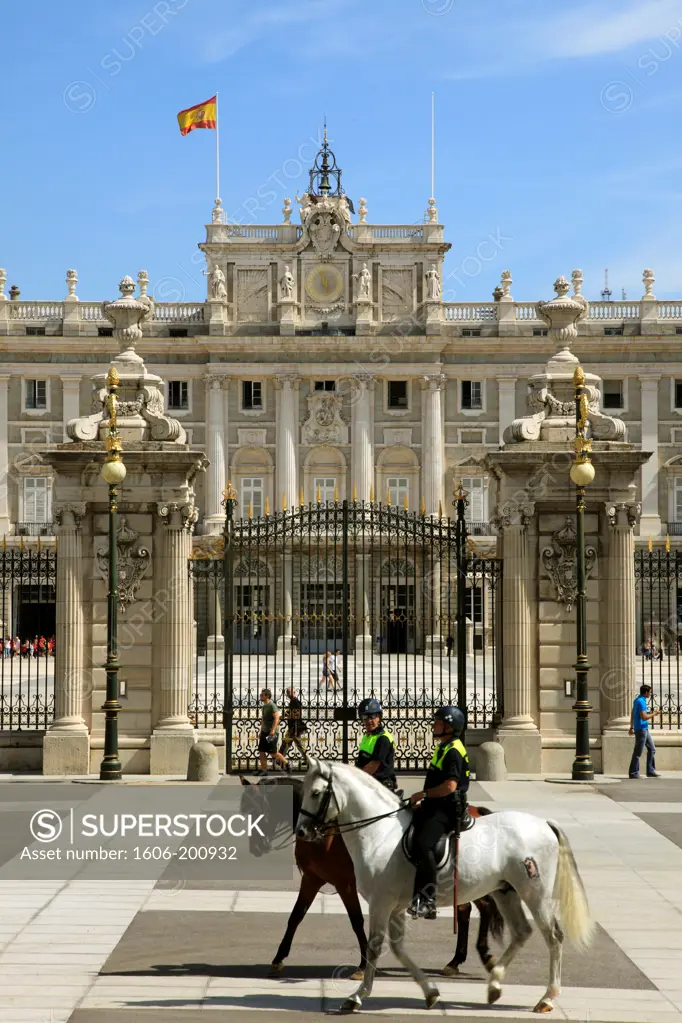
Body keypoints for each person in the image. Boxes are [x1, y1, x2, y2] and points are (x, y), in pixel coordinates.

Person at [407, 705, 469, 920]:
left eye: (439, 722)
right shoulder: (444, 746)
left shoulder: (453, 750)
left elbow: (450, 786)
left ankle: (429, 899)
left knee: (425, 844)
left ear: (450, 726)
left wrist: (423, 795)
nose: (434, 725)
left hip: (447, 809)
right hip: (435, 804)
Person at [355, 698, 397, 791]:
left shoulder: (383, 738)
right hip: (369, 783)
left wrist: (354, 779)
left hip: (381, 787)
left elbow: (372, 767)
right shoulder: (368, 736)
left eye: (372, 716)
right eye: (365, 717)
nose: (368, 720)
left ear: (379, 717)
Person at [629, 683, 661, 778]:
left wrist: (631, 727)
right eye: (649, 692)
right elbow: (644, 717)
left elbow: (632, 714)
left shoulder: (637, 700)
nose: (650, 694)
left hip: (644, 729)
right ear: (646, 692)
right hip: (641, 730)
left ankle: (650, 771)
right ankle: (633, 773)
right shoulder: (641, 702)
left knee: (652, 749)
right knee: (638, 752)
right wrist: (655, 713)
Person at [258, 689, 289, 772]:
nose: (260, 696)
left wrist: (272, 730)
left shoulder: (272, 705)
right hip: (265, 732)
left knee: (272, 753)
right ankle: (264, 770)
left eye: (262, 695)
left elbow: (277, 718)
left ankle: (287, 763)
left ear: (267, 696)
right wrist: (261, 731)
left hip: (272, 733)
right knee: (261, 751)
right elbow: (263, 720)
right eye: (260, 695)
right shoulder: (264, 706)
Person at [281, 687, 308, 759]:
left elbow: (298, 714)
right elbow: (290, 711)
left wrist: (288, 715)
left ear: (294, 692)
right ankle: (307, 759)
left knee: (286, 743)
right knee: (296, 744)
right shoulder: (292, 701)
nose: (289, 694)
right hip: (293, 726)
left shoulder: (295, 701)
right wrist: (283, 716)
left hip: (295, 726)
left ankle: (279, 758)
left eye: (290, 692)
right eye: (288, 692)